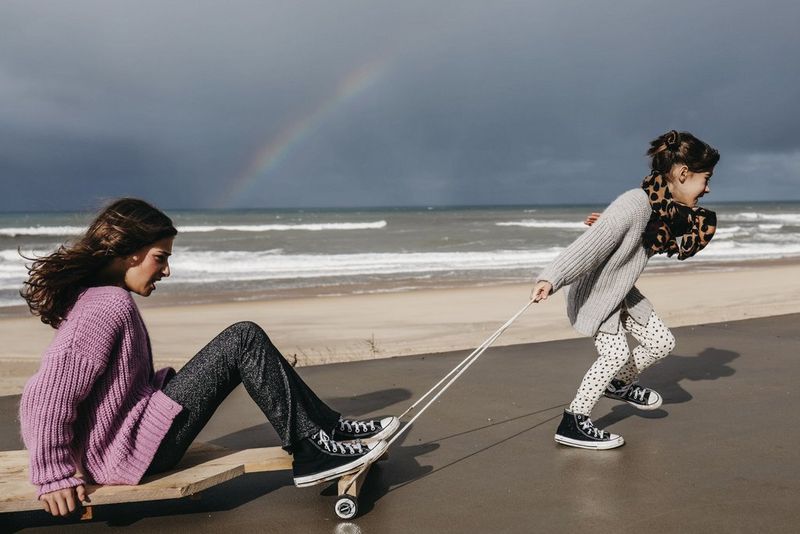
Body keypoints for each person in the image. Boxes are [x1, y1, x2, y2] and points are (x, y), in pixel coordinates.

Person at [19, 198, 399, 517]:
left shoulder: (105, 299)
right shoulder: (107, 305)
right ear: (129, 252)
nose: (166, 270)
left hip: (131, 443)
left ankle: (327, 431)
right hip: (128, 454)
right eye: (159, 257)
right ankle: (313, 452)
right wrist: (53, 475)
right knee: (242, 339)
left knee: (243, 342)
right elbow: (44, 397)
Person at [530, 130, 719, 450]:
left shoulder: (663, 211)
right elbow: (589, 247)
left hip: (621, 288)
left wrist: (608, 222)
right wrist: (552, 277)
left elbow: (634, 232)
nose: (708, 187)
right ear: (684, 174)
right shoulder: (636, 203)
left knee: (662, 343)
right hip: (596, 290)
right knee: (614, 353)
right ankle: (573, 421)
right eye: (706, 178)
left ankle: (618, 385)